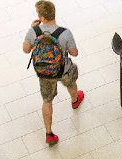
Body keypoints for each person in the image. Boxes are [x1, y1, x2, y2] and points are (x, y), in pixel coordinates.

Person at [22, 0, 84, 145]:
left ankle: (49, 134)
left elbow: (26, 49)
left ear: (41, 17)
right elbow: (74, 53)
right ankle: (75, 100)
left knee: (47, 100)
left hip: (44, 73)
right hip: (63, 70)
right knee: (71, 82)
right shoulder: (65, 33)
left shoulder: (34, 31)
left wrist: (32, 30)